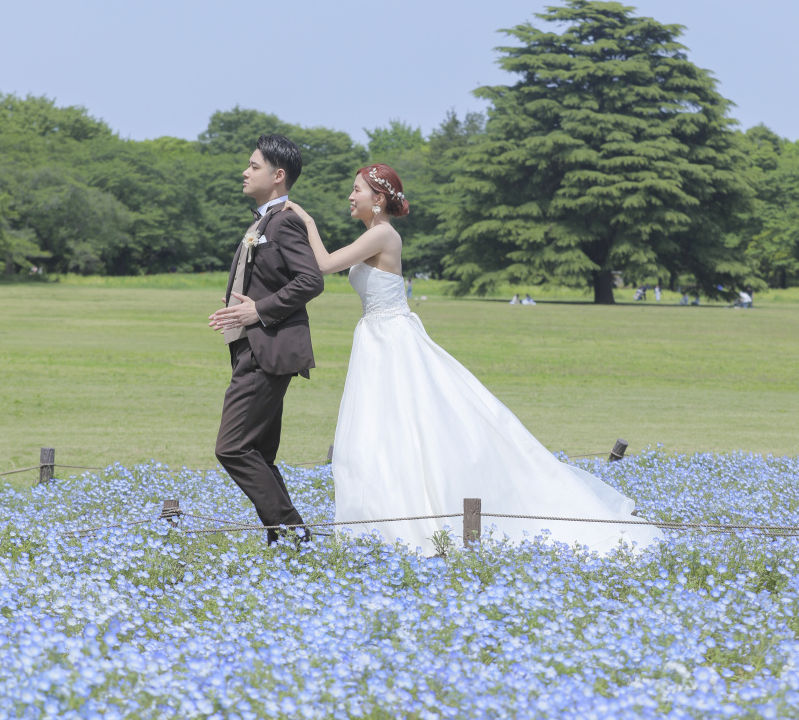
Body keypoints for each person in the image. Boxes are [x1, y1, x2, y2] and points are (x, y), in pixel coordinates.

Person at [282, 163, 663, 557]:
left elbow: (325, 264)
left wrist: (306, 220)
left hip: (391, 341)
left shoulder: (382, 233)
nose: (350, 195)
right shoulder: (373, 234)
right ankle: (385, 521)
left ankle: (407, 524)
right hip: (377, 339)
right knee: (384, 432)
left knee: (402, 427)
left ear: (377, 199)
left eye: (356, 189)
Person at [209, 134, 324, 542]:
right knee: (258, 452)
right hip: (251, 349)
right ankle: (286, 542)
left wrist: (257, 310)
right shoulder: (261, 221)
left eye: (253, 166)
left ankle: (295, 534)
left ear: (278, 176)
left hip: (267, 350)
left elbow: (311, 280)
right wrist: (237, 310)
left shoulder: (284, 220)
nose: (245, 171)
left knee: (233, 447)